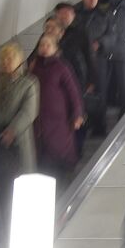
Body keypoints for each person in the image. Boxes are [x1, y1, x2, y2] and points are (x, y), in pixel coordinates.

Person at [0, 43, 39, 209]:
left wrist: (12, 131)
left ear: (19, 61)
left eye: (10, 58)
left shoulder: (29, 83)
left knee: (21, 185)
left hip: (18, 143)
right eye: (3, 58)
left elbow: (29, 112)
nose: (6, 61)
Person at [29, 34, 84, 182]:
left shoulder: (62, 67)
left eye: (48, 45)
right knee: (44, 151)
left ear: (55, 48)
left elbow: (74, 92)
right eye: (42, 45)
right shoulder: (34, 67)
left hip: (60, 120)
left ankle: (64, 175)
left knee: (60, 148)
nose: (45, 48)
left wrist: (78, 113)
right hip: (40, 118)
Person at [75, 0, 111, 136]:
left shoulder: (104, 15)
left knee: (100, 93)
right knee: (80, 93)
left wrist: (101, 43)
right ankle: (84, 125)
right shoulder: (75, 14)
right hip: (80, 61)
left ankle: (100, 126)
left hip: (99, 60)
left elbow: (112, 35)